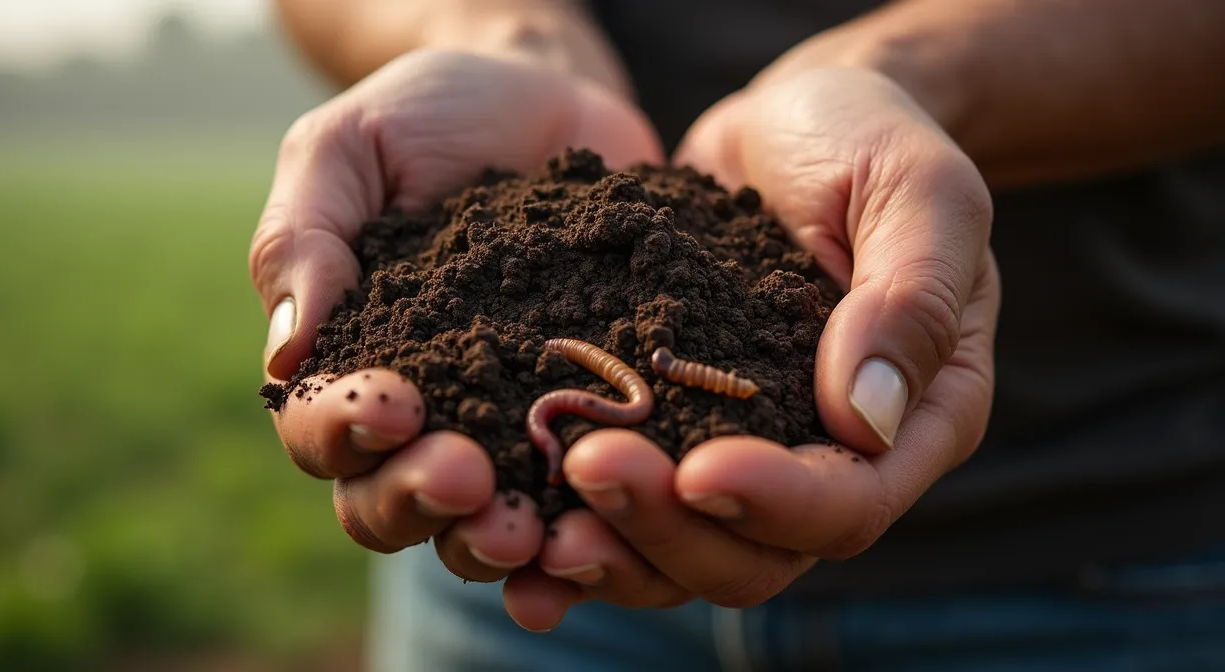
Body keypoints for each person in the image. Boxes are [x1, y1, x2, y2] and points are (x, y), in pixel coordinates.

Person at [249, 1, 1225, 669]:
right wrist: (501, 31)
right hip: (525, 589)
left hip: (1121, 554)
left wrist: (910, 72)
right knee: (528, 480)